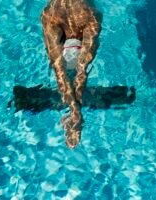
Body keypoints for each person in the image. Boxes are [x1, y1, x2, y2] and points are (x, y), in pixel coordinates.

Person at [41, 0, 100, 148]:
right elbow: (81, 71)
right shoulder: (92, 15)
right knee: (82, 69)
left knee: (59, 70)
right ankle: (76, 109)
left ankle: (74, 111)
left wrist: (74, 108)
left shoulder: (49, 15)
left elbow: (59, 69)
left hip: (56, 17)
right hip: (85, 14)